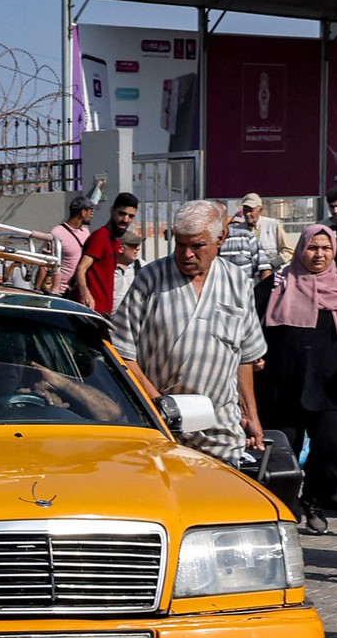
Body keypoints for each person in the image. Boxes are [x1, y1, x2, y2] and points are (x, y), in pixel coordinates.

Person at [112, 200, 267, 467]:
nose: (186, 254)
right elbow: (122, 352)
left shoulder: (237, 282)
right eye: (180, 245)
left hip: (221, 431)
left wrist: (251, 414)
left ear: (221, 239)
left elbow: (244, 356)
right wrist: (157, 404)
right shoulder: (151, 279)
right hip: (159, 428)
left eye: (196, 246)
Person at [258, 224, 337, 531]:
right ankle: (285, 509)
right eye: (313, 247)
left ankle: (315, 500)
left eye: (325, 248)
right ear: (301, 249)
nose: (319, 254)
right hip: (282, 387)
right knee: (282, 457)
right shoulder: (276, 287)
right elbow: (248, 325)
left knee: (334, 450)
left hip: (331, 388)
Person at [74, 192, 139, 314]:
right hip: (90, 311)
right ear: (112, 211)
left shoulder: (115, 241)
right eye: (122, 214)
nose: (126, 220)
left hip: (103, 313)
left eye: (131, 216)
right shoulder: (100, 237)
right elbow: (81, 268)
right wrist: (86, 295)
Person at [45, 196, 96, 296]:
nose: (92, 214)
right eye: (91, 210)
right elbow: (46, 264)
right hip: (59, 292)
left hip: (77, 291)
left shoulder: (85, 232)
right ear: (83, 212)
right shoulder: (57, 232)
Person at [235, 192, 293, 272]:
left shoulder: (273, 225)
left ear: (260, 210)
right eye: (245, 210)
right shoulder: (237, 230)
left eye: (251, 210)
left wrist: (270, 265)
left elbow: (289, 251)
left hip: (269, 277)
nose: (248, 214)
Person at [110, 233, 143, 314]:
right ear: (120, 249)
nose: (138, 248)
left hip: (133, 318)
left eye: (138, 245)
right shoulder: (107, 268)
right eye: (134, 245)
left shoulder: (141, 266)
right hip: (109, 320)